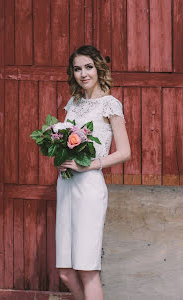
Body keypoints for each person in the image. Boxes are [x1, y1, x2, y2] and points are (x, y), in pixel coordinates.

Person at [56, 45, 131, 300]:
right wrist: (61, 157)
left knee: (87, 270)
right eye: (77, 69)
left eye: (88, 67)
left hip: (89, 187)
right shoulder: (73, 103)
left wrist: (88, 165)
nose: (83, 74)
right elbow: (64, 139)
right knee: (65, 271)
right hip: (66, 185)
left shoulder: (110, 104)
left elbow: (124, 152)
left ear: (98, 68)